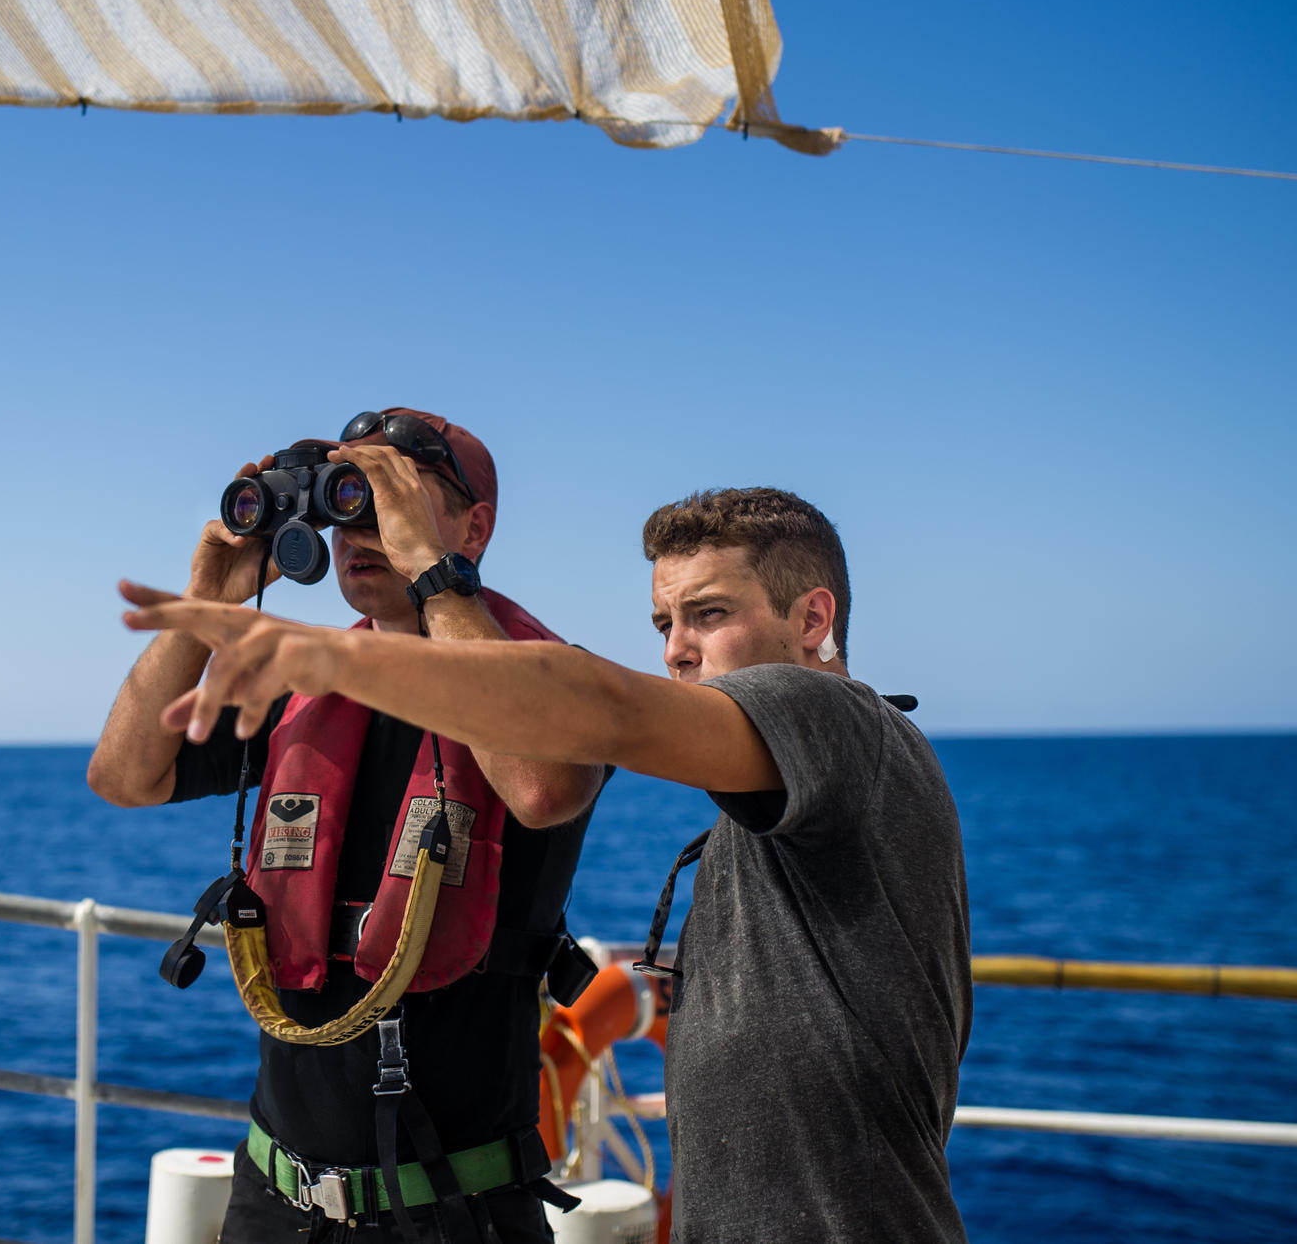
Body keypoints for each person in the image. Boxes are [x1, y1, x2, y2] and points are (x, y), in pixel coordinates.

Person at [123, 487, 973, 1244]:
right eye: (664, 623)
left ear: (813, 621)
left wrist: (342, 656)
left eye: (709, 615)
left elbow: (600, 712)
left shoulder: (830, 715)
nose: (676, 649)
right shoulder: (790, 798)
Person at [88, 409, 606, 1243]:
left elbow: (543, 789)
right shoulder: (303, 688)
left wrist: (436, 578)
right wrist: (207, 600)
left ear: (475, 528)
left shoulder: (552, 677)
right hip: (275, 1200)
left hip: (455, 1213)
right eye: (349, 503)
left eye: (393, 501)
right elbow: (123, 774)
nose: (361, 529)